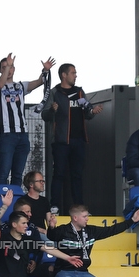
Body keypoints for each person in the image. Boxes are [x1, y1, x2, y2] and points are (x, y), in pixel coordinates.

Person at [41, 63, 103, 210]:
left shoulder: (80, 92)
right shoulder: (54, 92)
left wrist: (93, 112)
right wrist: (52, 110)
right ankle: (54, 205)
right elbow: (45, 115)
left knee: (77, 175)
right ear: (64, 75)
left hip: (79, 139)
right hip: (61, 140)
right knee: (59, 174)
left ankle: (79, 206)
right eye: (73, 73)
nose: (75, 75)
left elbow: (87, 111)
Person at [0, 54, 54, 185]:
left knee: (18, 174)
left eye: (11, 67)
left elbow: (39, 82)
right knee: (4, 171)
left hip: (23, 135)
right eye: (4, 67)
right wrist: (8, 66)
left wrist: (45, 71)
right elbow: (0, 84)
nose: (8, 69)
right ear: (0, 70)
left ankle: (15, 202)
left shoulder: (20, 86)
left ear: (14, 69)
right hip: (6, 134)